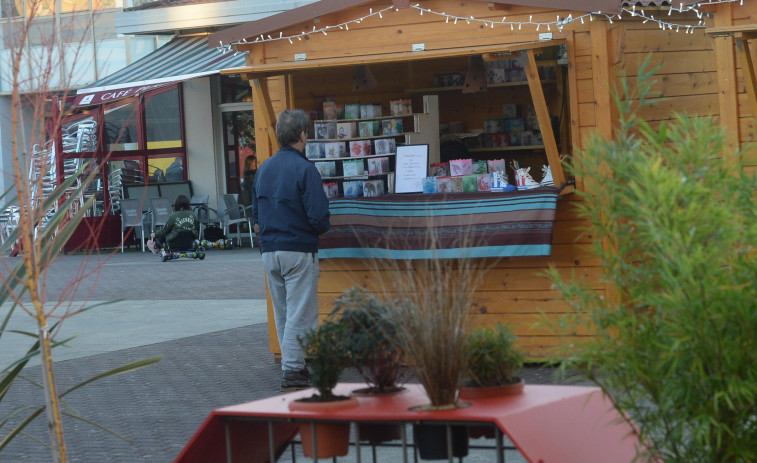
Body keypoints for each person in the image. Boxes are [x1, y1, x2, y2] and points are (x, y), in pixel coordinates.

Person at [252, 109, 331, 392]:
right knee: (302, 313)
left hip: (269, 251)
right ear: (302, 135)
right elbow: (319, 216)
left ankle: (293, 364)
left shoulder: (263, 169)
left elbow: (256, 216)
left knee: (284, 312)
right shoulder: (305, 169)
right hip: (297, 249)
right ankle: (293, 370)